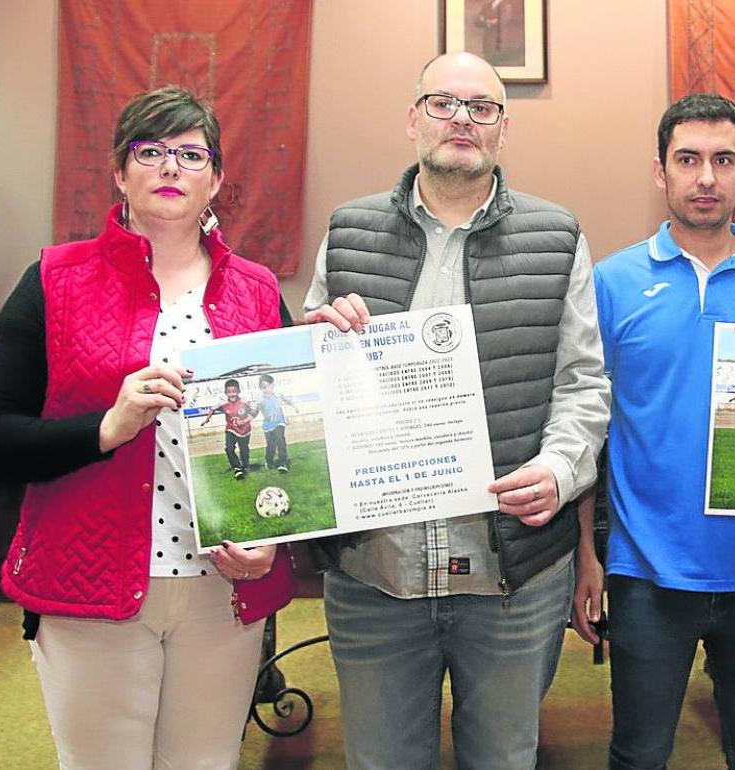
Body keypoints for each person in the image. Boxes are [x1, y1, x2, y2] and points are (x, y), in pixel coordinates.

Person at [0, 86, 295, 769]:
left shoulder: (258, 292)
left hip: (221, 591)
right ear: (120, 173)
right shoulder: (56, 280)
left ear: (217, 180)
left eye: (190, 154)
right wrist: (105, 428)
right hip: (91, 591)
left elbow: (290, 452)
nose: (171, 168)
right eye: (151, 152)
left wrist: (272, 540)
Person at [302, 52, 609, 770]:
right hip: (377, 571)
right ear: (413, 119)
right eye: (444, 103)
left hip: (511, 578)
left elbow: (584, 384)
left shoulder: (558, 236)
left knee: (504, 759)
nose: (462, 119)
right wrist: (315, 348)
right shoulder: (348, 232)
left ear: (503, 128)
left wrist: (561, 470)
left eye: (483, 107)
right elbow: (308, 391)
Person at [584, 93, 735, 770]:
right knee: (638, 754)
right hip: (648, 570)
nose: (706, 177)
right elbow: (585, 425)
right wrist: (584, 560)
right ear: (660, 172)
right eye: (688, 160)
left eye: (723, 160)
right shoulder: (612, 282)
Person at [200, 377, 254, 479]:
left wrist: (246, 420)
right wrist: (207, 419)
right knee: (229, 449)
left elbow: (253, 411)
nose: (232, 394)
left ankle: (245, 466)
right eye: (229, 392)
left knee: (244, 449)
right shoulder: (223, 404)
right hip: (231, 430)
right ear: (225, 393)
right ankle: (237, 468)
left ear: (238, 391)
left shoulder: (244, 402)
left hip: (244, 430)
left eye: (234, 391)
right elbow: (213, 408)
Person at [255, 372, 299, 472]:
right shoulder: (260, 400)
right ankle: (269, 461)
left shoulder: (278, 396)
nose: (266, 389)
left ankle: (282, 463)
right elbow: (254, 412)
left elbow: (287, 401)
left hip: (279, 423)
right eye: (263, 387)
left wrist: (295, 407)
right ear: (260, 388)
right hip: (268, 426)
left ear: (272, 385)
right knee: (271, 445)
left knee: (280, 440)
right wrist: (247, 418)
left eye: (268, 386)